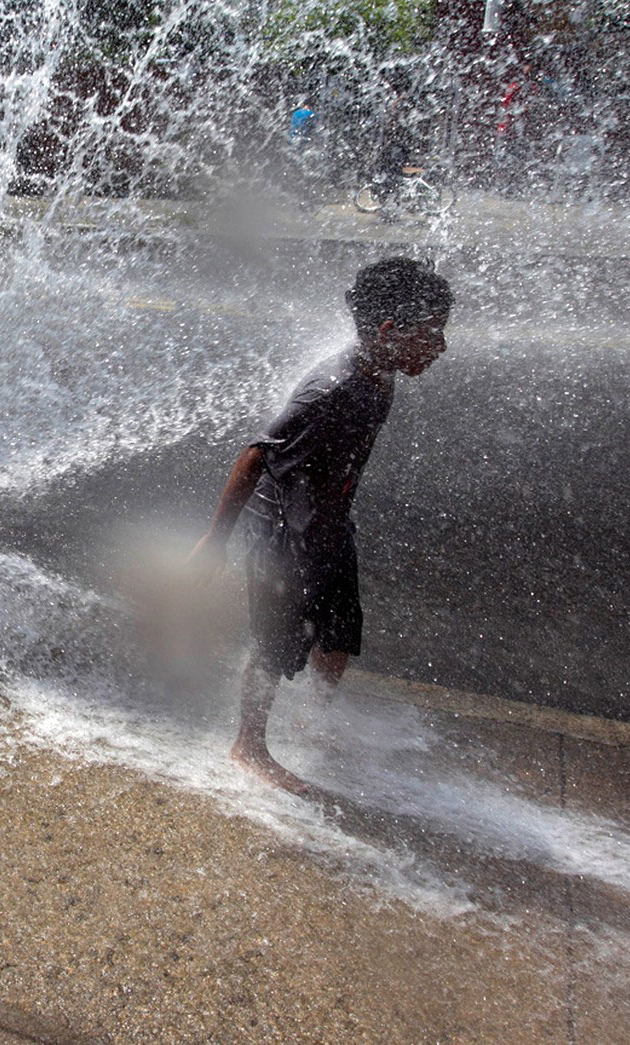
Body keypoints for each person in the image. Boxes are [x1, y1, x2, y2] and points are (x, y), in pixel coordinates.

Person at [188, 257, 454, 793]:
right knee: (273, 646)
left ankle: (313, 719)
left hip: (329, 525)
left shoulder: (379, 371)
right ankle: (250, 746)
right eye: (433, 333)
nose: (441, 346)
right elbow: (254, 456)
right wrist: (214, 543)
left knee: (338, 634)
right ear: (388, 331)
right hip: (282, 533)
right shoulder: (332, 390)